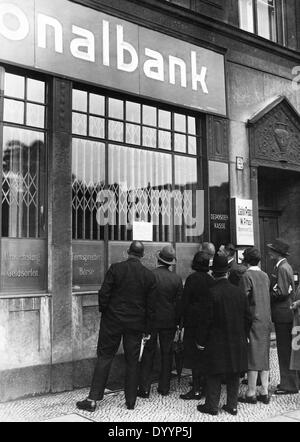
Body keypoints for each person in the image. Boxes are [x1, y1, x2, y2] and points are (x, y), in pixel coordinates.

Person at [76, 240, 157, 412]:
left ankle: (92, 399)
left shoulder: (116, 268)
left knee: (105, 357)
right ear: (142, 256)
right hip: (135, 325)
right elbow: (151, 307)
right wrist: (147, 329)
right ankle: (130, 401)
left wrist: (106, 312)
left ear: (128, 252)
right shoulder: (148, 276)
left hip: (112, 321)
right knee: (132, 361)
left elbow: (104, 293)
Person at [196, 254, 252, 416]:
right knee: (234, 372)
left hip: (216, 339)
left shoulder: (211, 292)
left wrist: (201, 340)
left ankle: (212, 406)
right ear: (227, 272)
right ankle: (232, 405)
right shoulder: (239, 293)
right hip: (237, 338)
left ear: (213, 273)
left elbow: (205, 320)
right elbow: (248, 317)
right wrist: (243, 334)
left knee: (214, 372)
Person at [138, 245, 183, 397]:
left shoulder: (150, 275)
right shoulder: (176, 279)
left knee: (148, 353)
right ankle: (164, 387)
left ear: (158, 260)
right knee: (167, 353)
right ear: (170, 263)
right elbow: (178, 304)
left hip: (151, 321)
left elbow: (144, 300)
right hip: (169, 321)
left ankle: (144, 388)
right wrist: (178, 323)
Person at [238, 247, 272, 405]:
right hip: (266, 319)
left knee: (252, 356)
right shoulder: (265, 275)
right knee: (264, 355)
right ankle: (264, 390)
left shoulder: (246, 276)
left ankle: (251, 392)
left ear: (245, 260)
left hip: (253, 320)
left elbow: (243, 301)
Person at [179, 250, 214, 400]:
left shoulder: (192, 279)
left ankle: (196, 388)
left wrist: (181, 322)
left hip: (193, 322)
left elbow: (184, 302)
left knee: (194, 357)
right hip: (208, 323)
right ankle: (204, 385)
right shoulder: (212, 280)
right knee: (205, 355)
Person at [268, 238, 299, 395]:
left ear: (276, 253)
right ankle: (292, 382)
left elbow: (281, 292)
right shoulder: (286, 266)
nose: (269, 252)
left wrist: (267, 296)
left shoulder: (281, 268)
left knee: (285, 351)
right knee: (288, 350)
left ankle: (289, 385)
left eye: (271, 250)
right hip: (286, 312)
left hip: (282, 313)